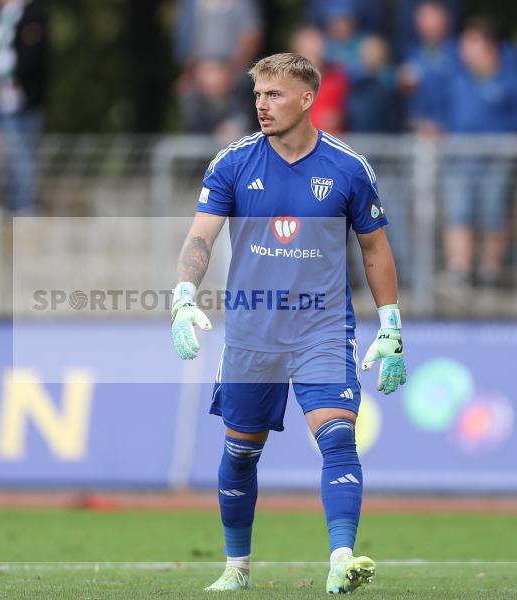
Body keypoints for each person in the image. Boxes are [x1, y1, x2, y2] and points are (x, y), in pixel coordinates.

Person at [170, 53, 406, 594]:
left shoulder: (348, 167)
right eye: (257, 94)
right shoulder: (233, 163)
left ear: (306, 99)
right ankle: (237, 566)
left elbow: (374, 249)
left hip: (322, 327)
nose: (261, 104)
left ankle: (341, 558)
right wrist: (183, 296)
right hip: (252, 331)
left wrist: (391, 326)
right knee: (240, 452)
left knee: (338, 437)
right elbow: (201, 236)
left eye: (274, 94)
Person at [442, 18, 517, 288]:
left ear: (489, 47)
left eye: (471, 45)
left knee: (494, 215)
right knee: (458, 214)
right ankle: (459, 274)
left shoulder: (511, 79)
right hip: (459, 159)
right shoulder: (458, 80)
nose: (464, 51)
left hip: (496, 160)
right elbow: (444, 115)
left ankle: (489, 274)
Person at [0, 0, 47, 214]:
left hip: (25, 99)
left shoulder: (32, 14)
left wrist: (17, 81)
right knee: (11, 157)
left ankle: (24, 207)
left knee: (22, 154)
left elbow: (32, 55)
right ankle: (13, 204)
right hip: (1, 100)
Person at [399, 0, 459, 136]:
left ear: (445, 19)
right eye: (421, 16)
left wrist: (443, 125)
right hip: (418, 132)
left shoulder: (459, 53)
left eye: (430, 15)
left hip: (450, 133)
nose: (424, 22)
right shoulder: (412, 53)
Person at [290, 26, 348, 135]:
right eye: (308, 51)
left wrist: (340, 118)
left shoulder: (339, 79)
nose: (314, 55)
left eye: (317, 51)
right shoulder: (286, 83)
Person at [179, 58, 250, 141]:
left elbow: (242, 120)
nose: (209, 78)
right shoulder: (194, 103)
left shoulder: (241, 98)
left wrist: (233, 127)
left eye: (215, 70)